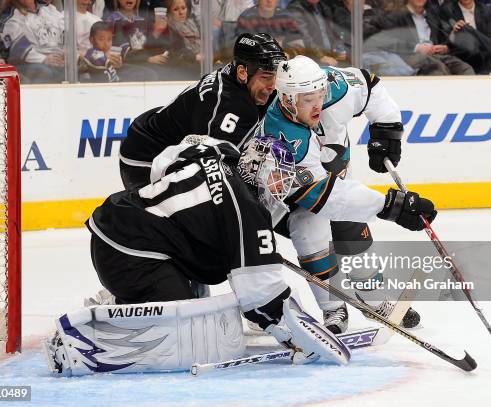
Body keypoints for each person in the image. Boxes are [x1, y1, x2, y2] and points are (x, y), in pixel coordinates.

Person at [43, 135, 350, 376]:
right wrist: (296, 336)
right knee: (182, 334)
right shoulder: (246, 210)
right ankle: (80, 342)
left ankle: (122, 301)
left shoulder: (221, 154)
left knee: (194, 307)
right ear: (259, 171)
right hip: (130, 253)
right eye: (278, 177)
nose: (282, 187)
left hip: (124, 232)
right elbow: (260, 296)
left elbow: (169, 159)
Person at [257, 55, 437, 333]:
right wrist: (392, 206)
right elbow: (325, 198)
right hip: (295, 195)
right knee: (308, 232)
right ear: (287, 99)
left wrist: (385, 129)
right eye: (307, 99)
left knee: (353, 234)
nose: (317, 104)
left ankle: (375, 301)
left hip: (336, 177)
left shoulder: (335, 86)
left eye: (319, 94)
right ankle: (333, 308)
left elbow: (369, 85)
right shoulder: (280, 133)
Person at [118, 32, 286, 190]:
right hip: (145, 159)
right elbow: (217, 169)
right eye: (266, 77)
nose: (273, 85)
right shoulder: (232, 106)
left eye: (275, 76)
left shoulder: (237, 73)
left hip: (151, 136)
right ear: (242, 72)